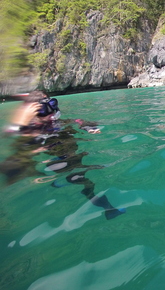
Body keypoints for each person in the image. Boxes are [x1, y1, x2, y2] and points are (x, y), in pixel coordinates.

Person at [1, 91, 125, 220]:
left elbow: (78, 121)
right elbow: (15, 146)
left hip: (72, 155)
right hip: (64, 160)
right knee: (85, 182)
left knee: (88, 176)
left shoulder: (56, 123)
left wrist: (88, 128)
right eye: (44, 110)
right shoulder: (31, 130)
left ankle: (106, 207)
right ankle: (109, 209)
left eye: (52, 106)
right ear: (31, 112)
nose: (51, 113)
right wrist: (23, 125)